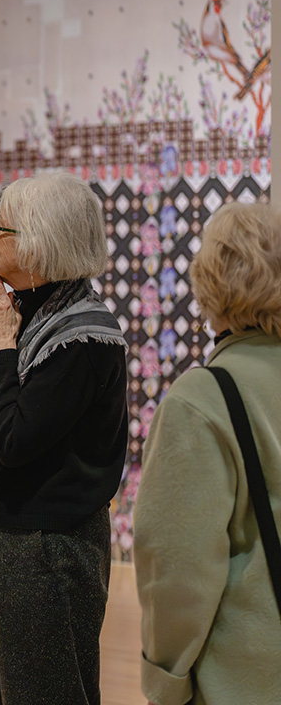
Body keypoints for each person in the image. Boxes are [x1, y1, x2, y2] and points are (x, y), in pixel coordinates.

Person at [0, 171, 128, 705]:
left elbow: (14, 440)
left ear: (40, 245)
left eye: (1, 228)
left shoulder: (83, 337)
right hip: (12, 545)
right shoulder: (27, 313)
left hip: (48, 552)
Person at [133, 201, 281, 705]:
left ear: (209, 284)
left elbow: (176, 569)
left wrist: (166, 682)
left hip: (244, 681)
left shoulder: (203, 401)